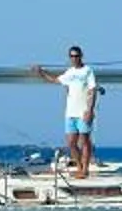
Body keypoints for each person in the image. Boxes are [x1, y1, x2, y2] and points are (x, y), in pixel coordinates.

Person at [31, 45, 99, 179]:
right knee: (71, 143)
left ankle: (85, 169)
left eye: (76, 56)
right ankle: (79, 167)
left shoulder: (87, 71)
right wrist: (41, 72)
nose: (74, 58)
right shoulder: (69, 72)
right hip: (70, 113)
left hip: (83, 112)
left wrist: (90, 110)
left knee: (84, 141)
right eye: (72, 56)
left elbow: (93, 91)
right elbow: (55, 80)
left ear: (81, 56)